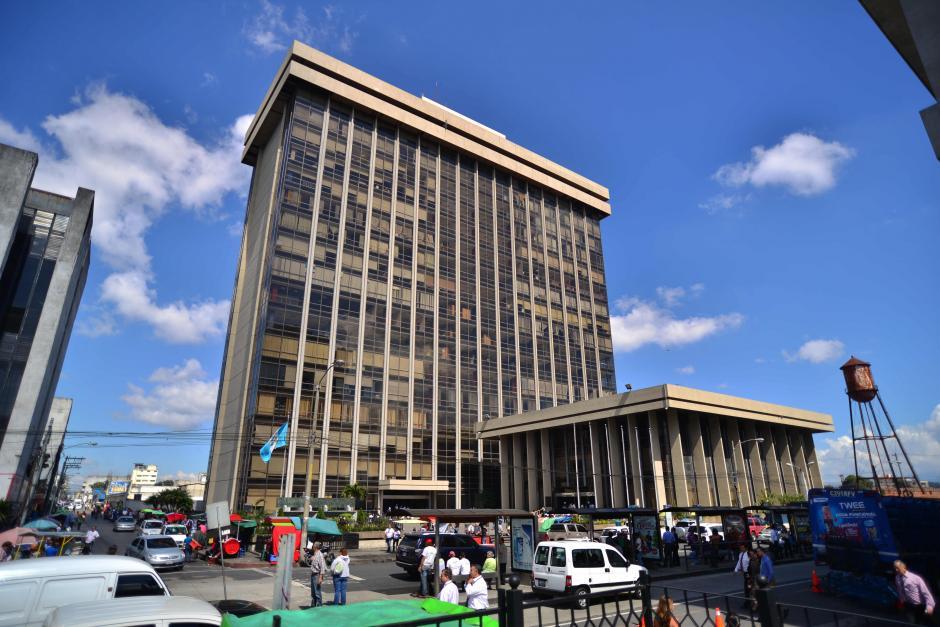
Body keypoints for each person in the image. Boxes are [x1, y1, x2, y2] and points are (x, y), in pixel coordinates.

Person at [895, 560, 935, 624]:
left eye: (898, 568)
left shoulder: (915, 578)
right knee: (913, 622)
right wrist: (901, 601)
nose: (896, 570)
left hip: (920, 606)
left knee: (927, 622)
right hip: (908, 605)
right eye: (895, 568)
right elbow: (900, 590)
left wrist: (930, 606)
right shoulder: (897, 578)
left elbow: (925, 592)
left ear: (904, 567)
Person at [309, 542, 327, 607]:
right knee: (313, 592)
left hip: (317, 575)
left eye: (313, 546)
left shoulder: (320, 554)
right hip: (313, 574)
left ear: (315, 547)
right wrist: (311, 559)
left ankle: (319, 606)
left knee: (317, 592)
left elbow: (322, 566)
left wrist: (320, 577)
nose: (312, 547)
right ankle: (313, 606)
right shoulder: (315, 554)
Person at [733, 544, 751, 608]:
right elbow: (739, 562)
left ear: (746, 548)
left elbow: (749, 563)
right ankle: (747, 602)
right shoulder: (740, 554)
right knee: (746, 588)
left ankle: (750, 602)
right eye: (740, 547)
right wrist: (736, 570)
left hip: (748, 573)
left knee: (749, 587)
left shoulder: (748, 554)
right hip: (745, 573)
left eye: (742, 547)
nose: (741, 549)